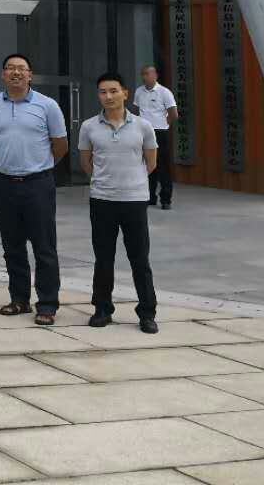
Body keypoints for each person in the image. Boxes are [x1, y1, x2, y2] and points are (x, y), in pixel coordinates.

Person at [0, 52, 69, 325]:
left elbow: (60, 145)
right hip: (3, 183)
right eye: (10, 68)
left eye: (21, 69)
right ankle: (19, 299)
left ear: (30, 75)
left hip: (37, 184)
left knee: (44, 246)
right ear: (3, 74)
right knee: (12, 245)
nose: (16, 73)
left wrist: (38, 166)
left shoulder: (47, 105)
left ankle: (47, 304)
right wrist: (7, 163)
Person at [80, 72, 160, 334]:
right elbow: (85, 162)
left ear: (125, 93)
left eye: (114, 91)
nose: (108, 96)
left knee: (140, 258)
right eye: (103, 92)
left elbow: (151, 162)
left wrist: (132, 182)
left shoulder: (143, 126)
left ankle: (147, 313)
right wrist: (104, 181)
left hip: (134, 200)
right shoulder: (89, 126)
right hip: (102, 200)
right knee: (103, 258)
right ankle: (102, 309)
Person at [135, 65, 178, 210]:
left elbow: (173, 113)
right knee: (146, 165)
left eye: (147, 74)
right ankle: (150, 197)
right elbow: (137, 110)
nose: (144, 77)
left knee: (162, 166)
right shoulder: (139, 92)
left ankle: (166, 199)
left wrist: (164, 124)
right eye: (143, 74)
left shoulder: (164, 92)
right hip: (143, 133)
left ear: (155, 75)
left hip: (159, 132)